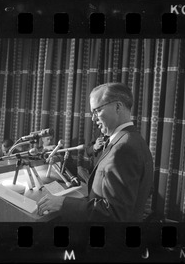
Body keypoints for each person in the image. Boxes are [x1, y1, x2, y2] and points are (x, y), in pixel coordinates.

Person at [37, 82, 154, 222]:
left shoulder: (124, 148)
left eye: (97, 111)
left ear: (118, 107)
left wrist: (62, 203)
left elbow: (114, 213)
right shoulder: (132, 139)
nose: (93, 118)